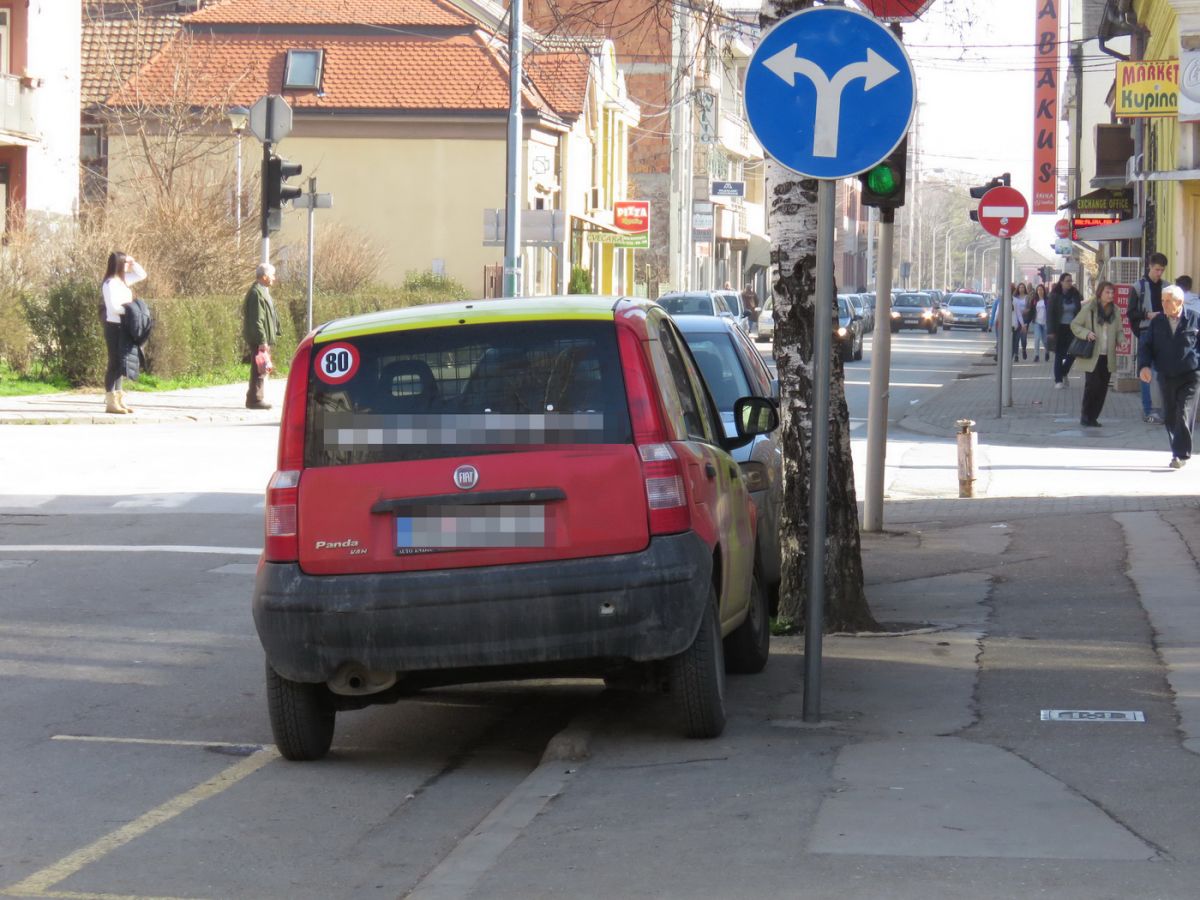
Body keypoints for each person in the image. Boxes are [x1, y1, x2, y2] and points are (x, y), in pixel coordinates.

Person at [1138, 284, 1200, 468]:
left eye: (1168, 301)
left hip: (1190, 375)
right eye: (1163, 300)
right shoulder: (1157, 322)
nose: (1164, 304)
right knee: (1171, 415)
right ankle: (1178, 449)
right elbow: (1146, 346)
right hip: (1166, 375)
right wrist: (1144, 366)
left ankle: (1179, 455)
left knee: (1183, 412)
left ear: (1180, 302)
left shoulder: (1194, 320)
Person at [101, 251, 146, 415]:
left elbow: (142, 274)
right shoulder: (110, 284)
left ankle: (119, 399)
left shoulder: (123, 281)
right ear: (119, 264)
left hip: (125, 326)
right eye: (126, 262)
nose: (128, 265)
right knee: (114, 362)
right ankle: (111, 401)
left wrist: (133, 262)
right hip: (114, 326)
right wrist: (131, 311)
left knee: (122, 364)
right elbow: (113, 307)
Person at [1070, 281, 1120, 428]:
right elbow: (1075, 324)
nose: (1111, 295)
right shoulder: (1089, 309)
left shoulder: (1115, 310)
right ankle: (1085, 416)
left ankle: (1094, 417)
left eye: (1112, 293)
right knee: (1092, 386)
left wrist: (1121, 340)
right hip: (1093, 354)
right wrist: (1086, 334)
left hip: (1108, 354)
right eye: (1107, 292)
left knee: (1103, 387)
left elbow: (1119, 330)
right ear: (1100, 293)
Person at [1129, 252, 1168, 423]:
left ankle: (1161, 409)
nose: (1159, 273)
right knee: (1147, 371)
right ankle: (1148, 410)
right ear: (1150, 267)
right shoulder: (1138, 286)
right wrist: (1147, 315)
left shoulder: (1167, 287)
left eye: (1162, 270)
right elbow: (1131, 313)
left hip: (1164, 333)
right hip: (1146, 332)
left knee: (1161, 372)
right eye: (1157, 269)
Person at [242, 262, 281, 410]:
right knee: (259, 369)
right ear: (264, 276)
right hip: (259, 339)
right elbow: (257, 320)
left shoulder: (261, 291)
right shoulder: (256, 293)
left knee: (260, 369)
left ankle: (255, 397)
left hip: (262, 338)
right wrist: (262, 340)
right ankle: (255, 400)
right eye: (272, 275)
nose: (274, 278)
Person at [1047, 272, 1083, 389]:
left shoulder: (1075, 294)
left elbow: (1080, 310)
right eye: (1067, 281)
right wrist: (1051, 331)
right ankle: (1058, 380)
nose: (1069, 283)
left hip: (1073, 328)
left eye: (1071, 281)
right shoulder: (1055, 295)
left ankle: (1063, 372)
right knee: (1059, 354)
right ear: (1061, 282)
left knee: (1073, 352)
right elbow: (1050, 314)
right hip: (1059, 328)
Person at [1030, 282, 1049, 362]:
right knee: (1037, 338)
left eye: (1041, 290)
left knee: (1044, 340)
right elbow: (1031, 311)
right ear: (1037, 291)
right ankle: (1036, 355)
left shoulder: (1047, 300)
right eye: (1038, 290)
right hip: (1037, 322)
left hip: (1045, 323)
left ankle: (1047, 351)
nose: (1040, 291)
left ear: (1044, 291)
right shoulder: (1035, 301)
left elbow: (1050, 311)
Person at [1012, 283, 1029, 362]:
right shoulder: (1015, 298)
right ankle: (1016, 355)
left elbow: (1029, 308)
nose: (1021, 289)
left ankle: (1024, 350)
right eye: (1020, 287)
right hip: (1017, 320)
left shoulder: (1027, 297)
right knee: (1016, 339)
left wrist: (1026, 311)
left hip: (1024, 319)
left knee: (1023, 338)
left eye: (1023, 287)